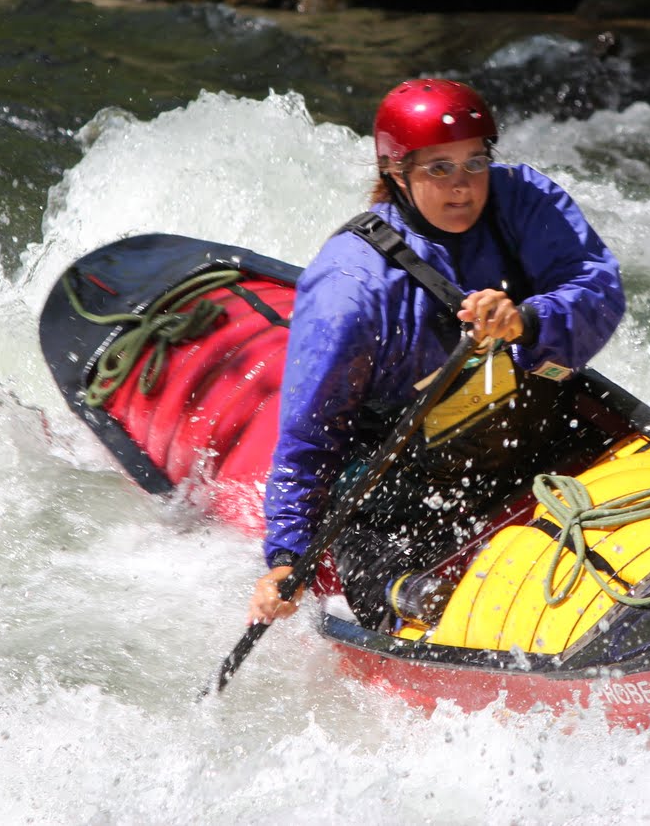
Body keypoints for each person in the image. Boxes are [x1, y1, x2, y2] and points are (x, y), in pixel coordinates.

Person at [246, 79, 625, 629]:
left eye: (475, 162)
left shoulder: (520, 199)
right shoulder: (349, 290)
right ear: (395, 174)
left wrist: (528, 318)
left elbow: (600, 289)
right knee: (381, 556)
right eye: (439, 169)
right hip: (407, 477)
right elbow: (310, 436)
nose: (464, 187)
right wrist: (285, 558)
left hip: (523, 424)